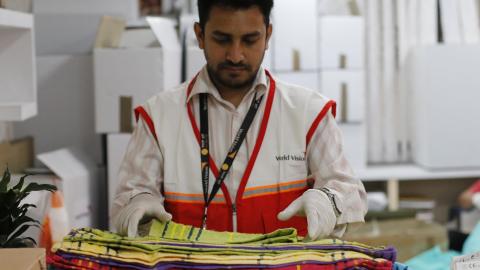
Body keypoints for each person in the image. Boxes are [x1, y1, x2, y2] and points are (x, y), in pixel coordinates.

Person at [111, 0, 367, 240]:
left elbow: (350, 192)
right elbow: (129, 197)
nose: (235, 55)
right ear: (199, 35)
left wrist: (328, 201)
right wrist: (138, 202)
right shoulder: (158, 118)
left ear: (268, 35)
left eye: (249, 40)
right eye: (222, 40)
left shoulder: (309, 114)